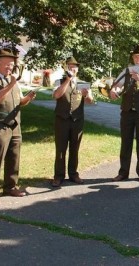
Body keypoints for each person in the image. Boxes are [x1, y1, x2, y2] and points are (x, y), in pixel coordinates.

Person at [0, 48, 37, 207]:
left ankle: (10, 187)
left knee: (14, 157)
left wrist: (28, 98)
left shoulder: (12, 81)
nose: (10, 68)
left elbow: (19, 101)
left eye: (12, 65)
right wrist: (11, 84)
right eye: (7, 64)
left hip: (14, 124)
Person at [109, 44, 139, 183]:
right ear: (133, 57)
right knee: (126, 142)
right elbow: (117, 85)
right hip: (127, 112)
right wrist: (114, 90)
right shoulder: (126, 71)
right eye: (136, 56)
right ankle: (123, 172)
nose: (138, 59)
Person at [51, 56, 93, 187]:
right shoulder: (59, 81)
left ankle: (73, 174)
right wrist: (67, 81)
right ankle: (58, 176)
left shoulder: (83, 83)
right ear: (65, 68)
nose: (72, 68)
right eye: (69, 66)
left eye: (74, 66)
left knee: (75, 149)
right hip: (62, 119)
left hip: (77, 120)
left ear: (77, 68)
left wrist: (87, 95)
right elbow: (57, 95)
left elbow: (89, 102)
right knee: (61, 149)